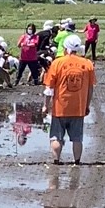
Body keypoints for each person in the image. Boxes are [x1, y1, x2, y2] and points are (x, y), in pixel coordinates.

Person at [42, 33, 95, 165]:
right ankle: (77, 161)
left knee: (56, 137)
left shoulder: (57, 63)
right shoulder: (87, 64)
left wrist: (45, 105)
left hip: (60, 107)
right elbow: (90, 88)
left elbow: (49, 88)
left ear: (65, 48)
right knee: (77, 138)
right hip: (78, 108)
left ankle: (56, 160)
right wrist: (86, 105)